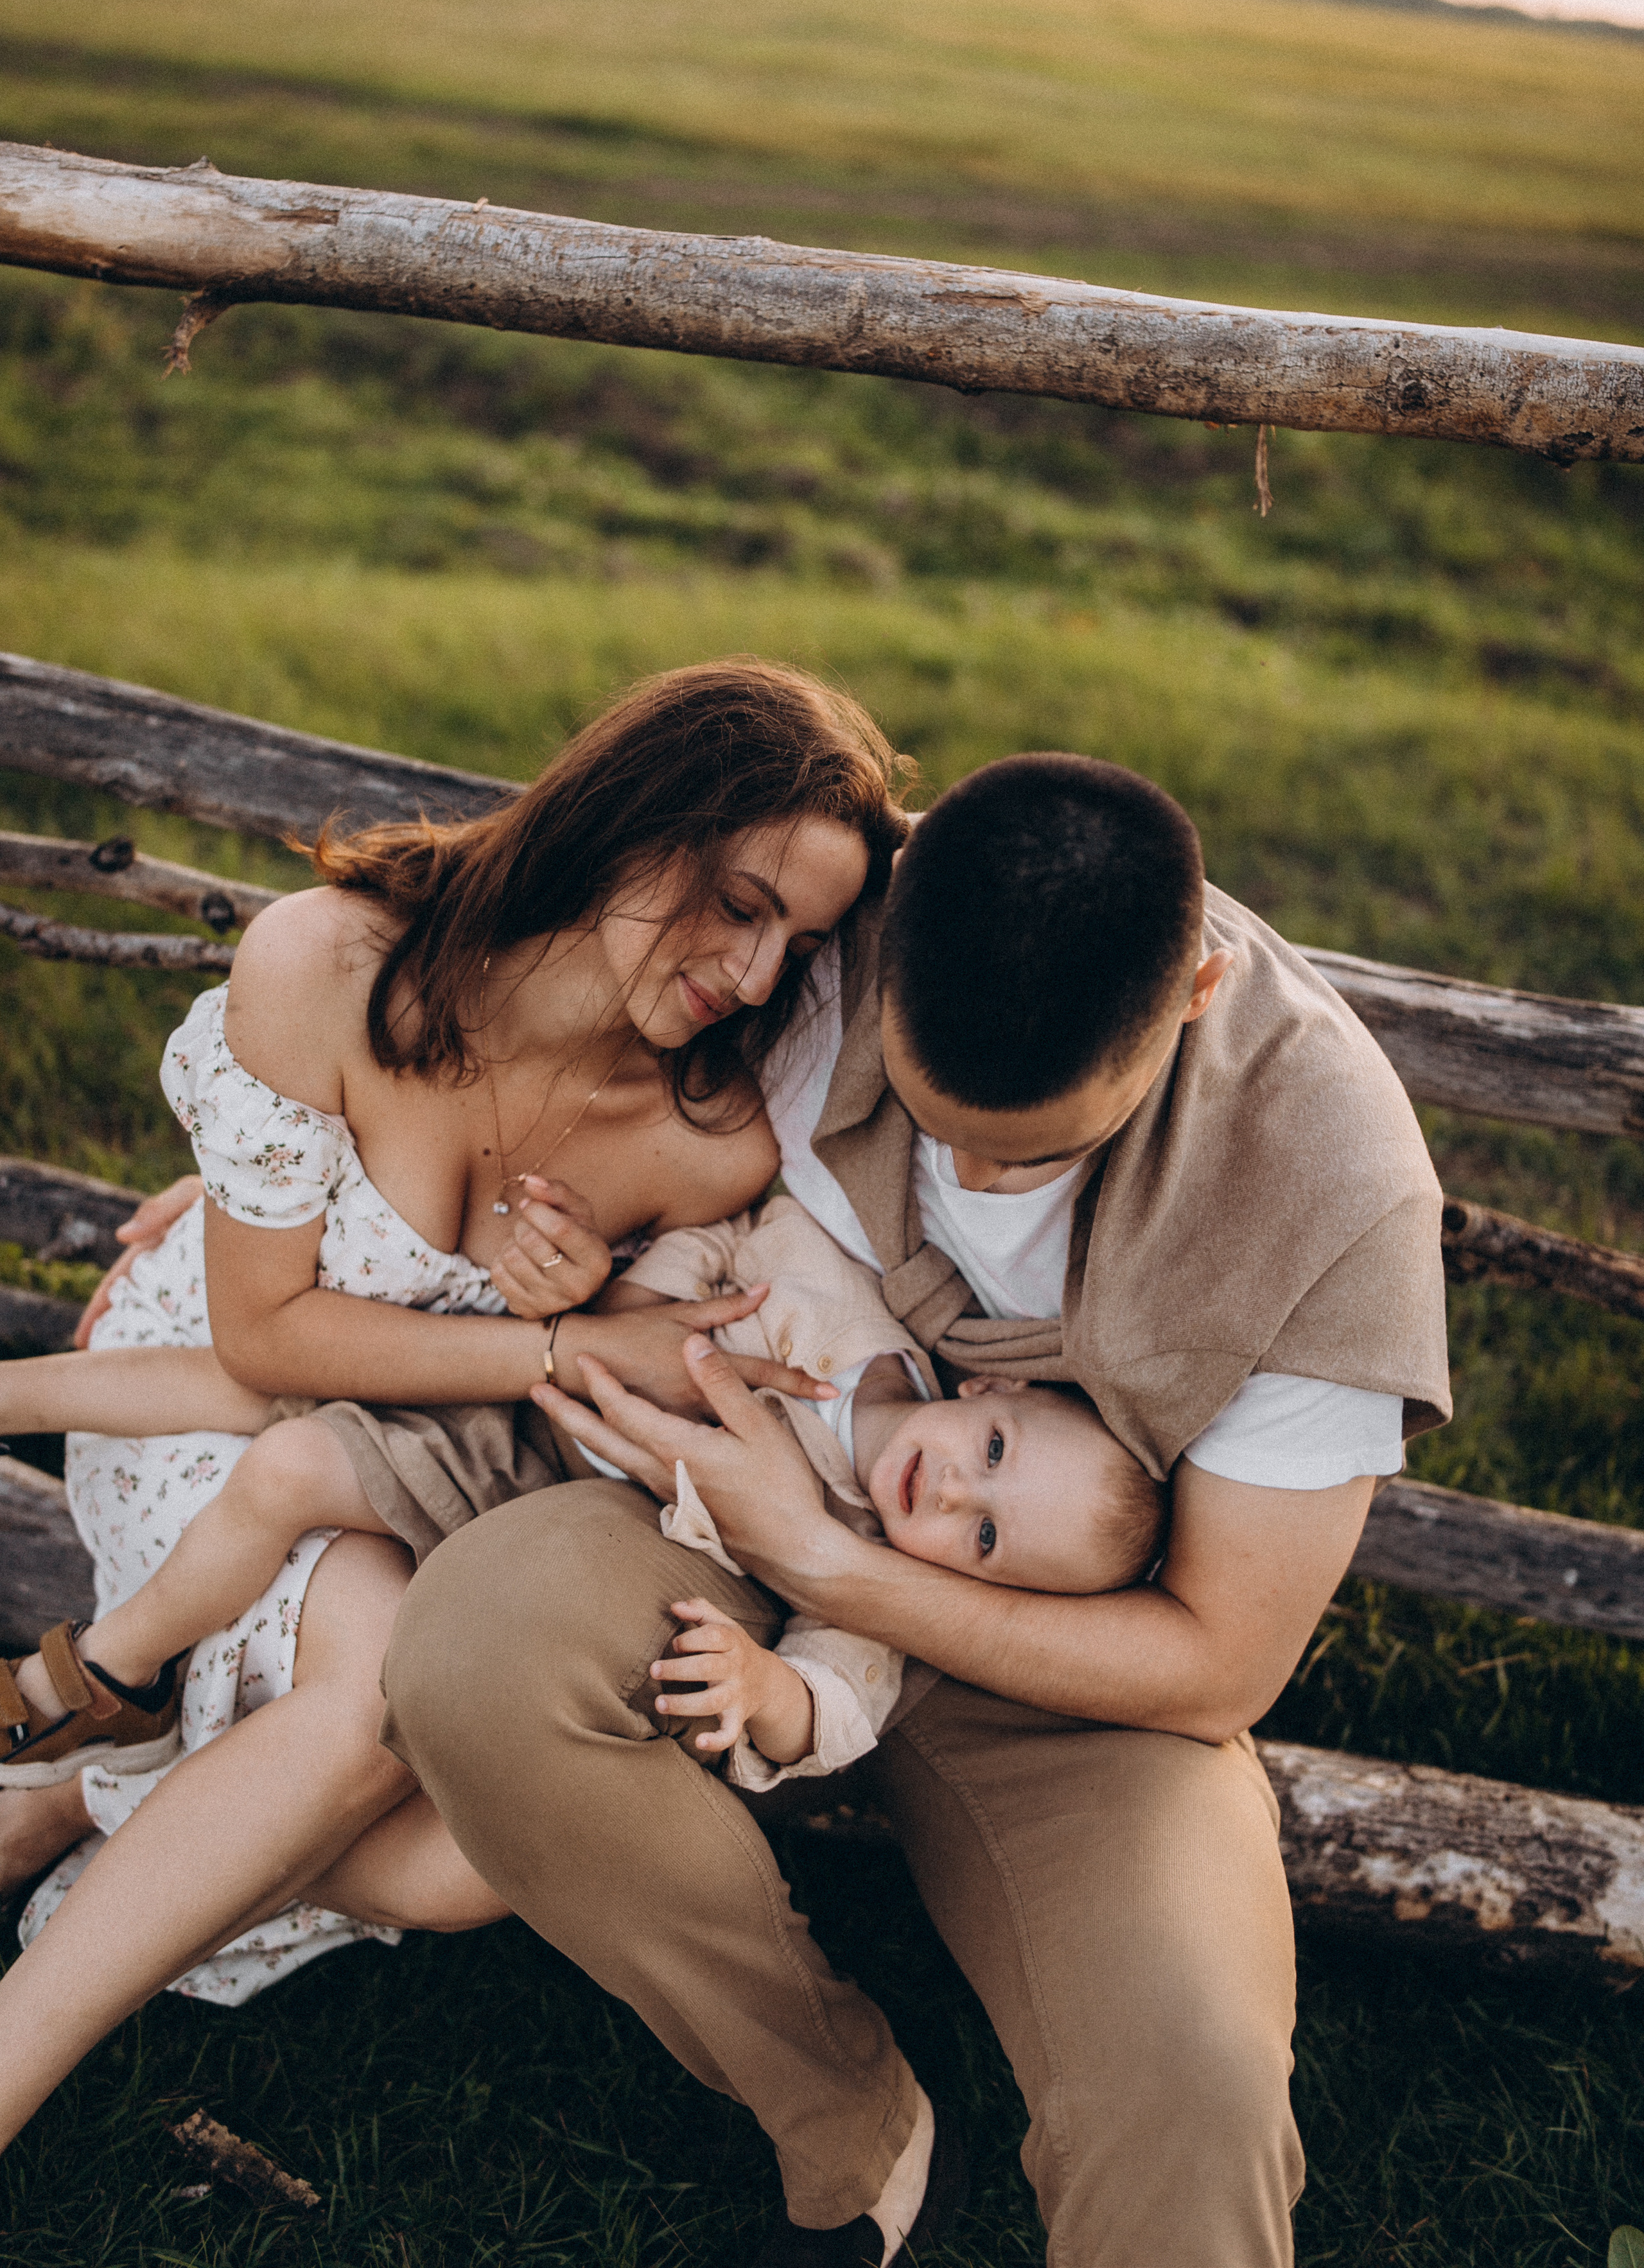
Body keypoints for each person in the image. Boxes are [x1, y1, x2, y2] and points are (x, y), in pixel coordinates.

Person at [384, 751, 1452, 2268]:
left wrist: (830, 1561)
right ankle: (845, 2114)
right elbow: (468, 985)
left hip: (1074, 1661)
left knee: (1192, 2082)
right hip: (720, 1512)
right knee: (479, 1655)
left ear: (1197, 994)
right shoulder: (820, 911)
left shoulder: (1330, 1196)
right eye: (928, 1113)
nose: (955, 1172)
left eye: (1026, 1151)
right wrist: (288, 1191)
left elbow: (1218, 1661)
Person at [0, 661, 905, 2129]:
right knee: (373, 1710)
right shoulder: (328, 966)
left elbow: (636, 1357)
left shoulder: (705, 1138)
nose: (752, 977)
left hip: (411, 1479)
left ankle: (81, 1789)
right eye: (739, 904)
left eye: (794, 942)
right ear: (628, 820)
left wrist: (583, 1306)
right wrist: (547, 1347)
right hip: (205, 1423)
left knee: (474, 1857)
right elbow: (267, 1337)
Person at [0, 1195, 1162, 1793]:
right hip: (539, 1345)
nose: (957, 1491)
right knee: (272, 1380)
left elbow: (840, 1705)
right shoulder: (847, 1301)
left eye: (988, 1537)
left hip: (534, 1483)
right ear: (984, 1384)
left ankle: (108, 1673)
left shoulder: (859, 1569)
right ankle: (27, 1397)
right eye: (996, 1451)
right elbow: (732, 1227)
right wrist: (642, 1304)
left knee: (290, 1465)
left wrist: (767, 1690)